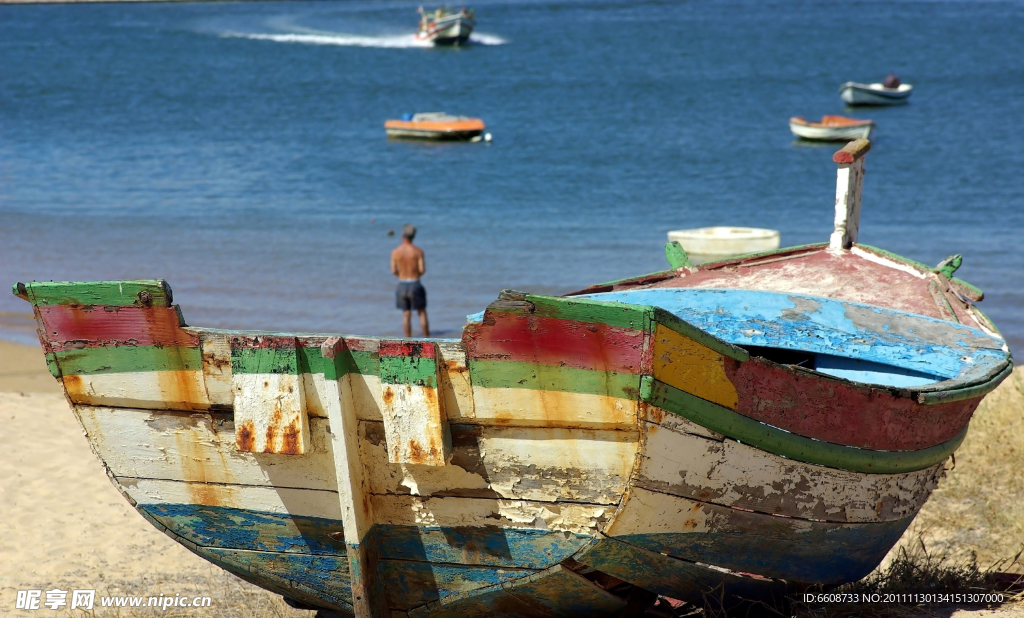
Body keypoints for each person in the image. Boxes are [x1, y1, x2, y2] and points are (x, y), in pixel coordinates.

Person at [391, 224, 430, 338]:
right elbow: (422, 270)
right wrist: (414, 275)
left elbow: (393, 270)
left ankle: (408, 339)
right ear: (413, 236)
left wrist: (402, 275)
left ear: (402, 235)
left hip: (402, 284)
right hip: (415, 283)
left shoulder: (395, 252)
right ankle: (427, 338)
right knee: (421, 312)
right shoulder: (418, 251)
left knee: (406, 314)